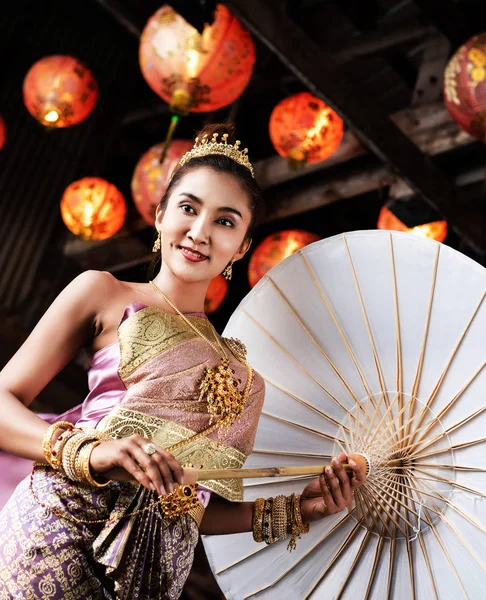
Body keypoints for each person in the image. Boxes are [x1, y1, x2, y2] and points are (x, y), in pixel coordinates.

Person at [0, 123, 366, 599]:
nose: (199, 232)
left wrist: (300, 508)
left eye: (225, 221)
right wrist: (92, 452)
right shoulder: (104, 292)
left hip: (151, 572)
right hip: (60, 529)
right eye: (188, 208)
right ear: (159, 215)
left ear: (243, 246)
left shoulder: (246, 381)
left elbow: (191, 505)